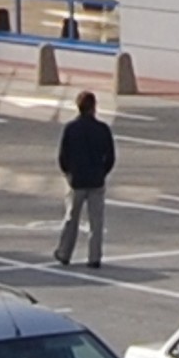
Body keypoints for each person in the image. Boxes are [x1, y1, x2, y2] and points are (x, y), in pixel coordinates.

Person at [48, 88, 117, 271]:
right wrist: (102, 173)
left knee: (71, 218)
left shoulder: (71, 128)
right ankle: (94, 257)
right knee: (96, 221)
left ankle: (64, 253)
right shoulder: (102, 129)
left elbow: (63, 156)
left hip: (76, 181)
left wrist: (68, 174)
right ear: (94, 107)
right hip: (96, 181)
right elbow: (110, 157)